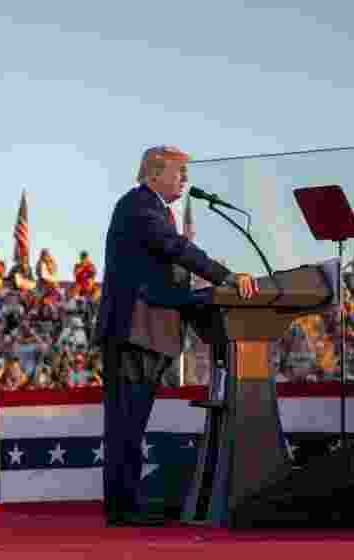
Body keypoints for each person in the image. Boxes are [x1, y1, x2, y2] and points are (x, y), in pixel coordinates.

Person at [94, 145, 259, 527]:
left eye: (186, 172)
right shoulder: (139, 206)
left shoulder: (153, 208)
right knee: (126, 424)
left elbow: (168, 263)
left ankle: (126, 504)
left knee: (131, 423)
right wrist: (225, 276)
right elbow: (175, 247)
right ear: (153, 174)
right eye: (179, 172)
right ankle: (123, 508)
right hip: (134, 331)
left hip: (149, 331)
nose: (185, 179)